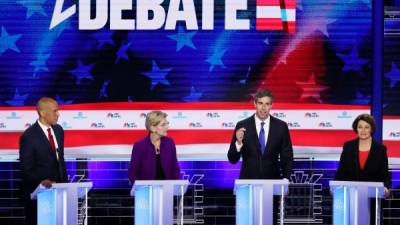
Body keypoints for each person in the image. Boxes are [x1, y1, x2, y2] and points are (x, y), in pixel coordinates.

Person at [19, 97, 68, 225]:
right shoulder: (28, 136)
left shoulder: (59, 130)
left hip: (59, 193)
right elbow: (27, 168)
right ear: (42, 113)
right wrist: (41, 182)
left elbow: (60, 160)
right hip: (38, 196)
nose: (58, 114)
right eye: (55, 111)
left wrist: (66, 185)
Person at [335, 114, 391, 224]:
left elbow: (385, 175)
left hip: (372, 200)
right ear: (356, 129)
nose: (363, 130)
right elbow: (341, 172)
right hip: (350, 198)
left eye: (367, 127)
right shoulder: (348, 147)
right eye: (360, 127)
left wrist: (386, 188)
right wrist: (336, 187)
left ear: (372, 129)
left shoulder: (380, 150)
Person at [228, 89, 293, 180]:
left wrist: (286, 178)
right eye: (260, 103)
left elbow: (287, 157)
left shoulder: (281, 126)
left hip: (273, 183)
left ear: (271, 105)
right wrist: (238, 143)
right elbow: (232, 159)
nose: (263, 108)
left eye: (267, 104)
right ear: (255, 104)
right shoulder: (242, 125)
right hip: (248, 183)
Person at [128, 110, 181, 184]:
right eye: (163, 125)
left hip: (167, 190)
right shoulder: (140, 145)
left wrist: (177, 186)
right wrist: (141, 189)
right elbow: (132, 173)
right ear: (153, 128)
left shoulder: (170, 142)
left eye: (167, 124)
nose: (167, 127)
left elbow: (175, 168)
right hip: (146, 191)